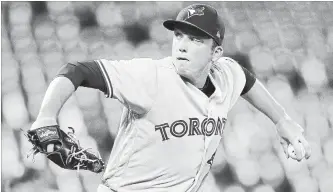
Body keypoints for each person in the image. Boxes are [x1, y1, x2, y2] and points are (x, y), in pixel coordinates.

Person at [30, 4, 311, 192]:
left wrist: (281, 120)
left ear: (216, 54)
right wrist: (46, 115)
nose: (183, 46)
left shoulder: (226, 75)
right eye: (179, 36)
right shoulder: (151, 76)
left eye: (196, 40)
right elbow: (77, 70)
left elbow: (247, 80)